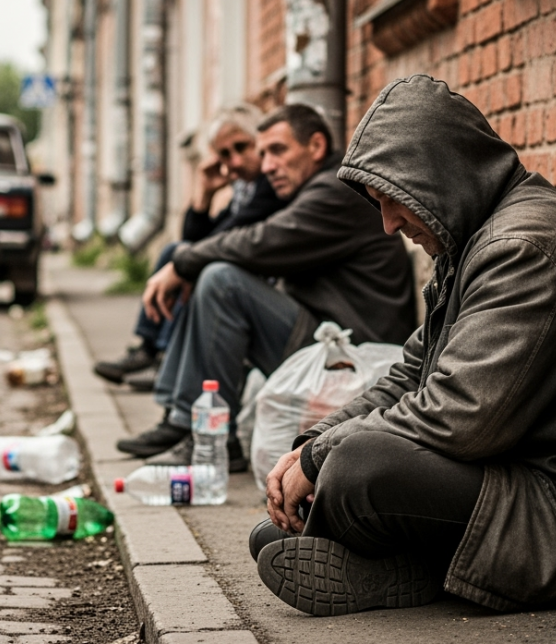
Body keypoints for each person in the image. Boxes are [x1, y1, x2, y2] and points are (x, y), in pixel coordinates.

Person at [253, 75, 556, 616]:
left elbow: (463, 416)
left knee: (357, 468)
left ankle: (417, 564)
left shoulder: (525, 249)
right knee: (292, 513)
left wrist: (322, 457)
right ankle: (417, 568)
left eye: (392, 201)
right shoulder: (472, 246)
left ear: (436, 175)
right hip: (527, 482)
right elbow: (408, 375)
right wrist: (311, 441)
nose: (387, 225)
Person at [117, 103, 417, 470]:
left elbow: (259, 241)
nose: (267, 165)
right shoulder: (312, 191)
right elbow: (236, 241)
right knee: (215, 273)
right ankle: (184, 421)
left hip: (352, 356)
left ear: (316, 146)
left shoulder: (336, 192)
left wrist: (181, 263)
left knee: (222, 282)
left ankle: (204, 435)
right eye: (263, 155)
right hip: (328, 339)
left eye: (278, 151)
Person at [93, 105, 289, 387]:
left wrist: (184, 260)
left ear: (258, 142)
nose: (233, 161)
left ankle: (159, 353)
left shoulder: (270, 185)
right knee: (179, 251)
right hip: (248, 271)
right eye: (224, 155)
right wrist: (204, 194)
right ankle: (154, 351)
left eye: (241, 147)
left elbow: (218, 239)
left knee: (189, 260)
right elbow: (195, 239)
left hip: (263, 283)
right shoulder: (245, 189)